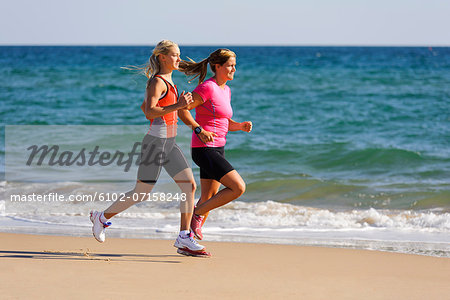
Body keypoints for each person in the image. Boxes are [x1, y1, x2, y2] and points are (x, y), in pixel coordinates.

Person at [89, 40, 208, 255]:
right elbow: (149, 112)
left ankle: (184, 237)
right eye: (175, 55)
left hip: (169, 143)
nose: (178, 59)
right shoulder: (158, 82)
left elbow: (146, 105)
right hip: (155, 144)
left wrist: (190, 121)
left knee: (189, 186)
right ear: (163, 57)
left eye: (179, 55)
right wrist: (177, 105)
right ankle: (101, 217)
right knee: (141, 193)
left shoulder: (170, 82)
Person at [178, 48, 252, 240]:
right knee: (238, 187)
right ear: (217, 66)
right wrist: (198, 130)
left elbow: (223, 123)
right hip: (203, 149)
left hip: (218, 148)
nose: (234, 69)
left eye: (235, 65)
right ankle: (196, 214)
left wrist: (240, 126)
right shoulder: (207, 87)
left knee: (209, 198)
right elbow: (182, 111)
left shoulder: (226, 90)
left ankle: (189, 240)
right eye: (230, 66)